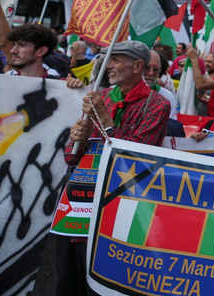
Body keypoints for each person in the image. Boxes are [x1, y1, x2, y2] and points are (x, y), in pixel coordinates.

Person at [61, 40, 171, 296]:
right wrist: (79, 138)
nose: (108, 65)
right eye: (108, 59)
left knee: (103, 284)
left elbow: (131, 159)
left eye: (116, 60)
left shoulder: (157, 105)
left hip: (120, 207)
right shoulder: (100, 98)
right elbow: (71, 157)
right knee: (68, 280)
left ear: (137, 66)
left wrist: (104, 117)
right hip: (80, 201)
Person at [144, 49, 178, 120]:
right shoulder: (116, 91)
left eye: (156, 69)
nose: (151, 73)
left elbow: (171, 127)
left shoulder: (167, 96)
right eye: (147, 68)